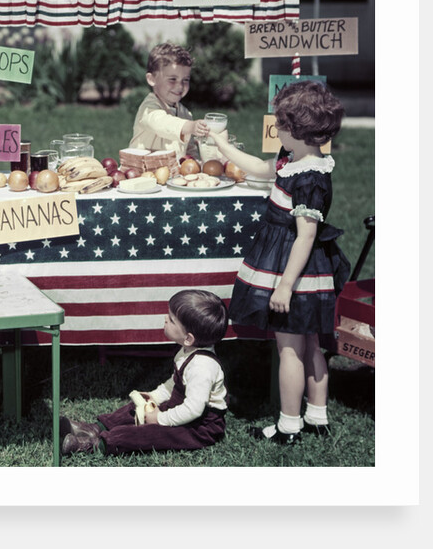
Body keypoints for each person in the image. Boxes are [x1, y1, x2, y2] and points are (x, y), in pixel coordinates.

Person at [209, 80, 351, 444]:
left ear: (296, 130)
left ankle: (289, 425)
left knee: (290, 349)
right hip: (309, 269)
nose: (276, 132)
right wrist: (223, 146)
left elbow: (305, 235)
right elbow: (259, 166)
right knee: (311, 345)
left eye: (280, 127)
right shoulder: (296, 161)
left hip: (294, 269)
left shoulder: (309, 179)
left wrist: (285, 285)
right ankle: (317, 416)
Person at [60, 289, 230, 456]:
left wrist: (160, 419)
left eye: (171, 319)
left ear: (188, 338)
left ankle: (95, 445)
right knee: (137, 406)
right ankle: (94, 429)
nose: (165, 319)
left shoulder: (202, 367)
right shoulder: (187, 351)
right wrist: (154, 397)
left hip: (198, 427)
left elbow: (194, 409)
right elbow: (175, 384)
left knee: (150, 434)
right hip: (181, 409)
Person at [129, 42, 209, 160]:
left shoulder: (185, 113)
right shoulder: (148, 108)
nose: (180, 86)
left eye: (185, 80)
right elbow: (162, 123)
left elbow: (189, 148)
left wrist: (194, 163)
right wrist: (190, 126)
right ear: (151, 79)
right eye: (172, 79)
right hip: (141, 173)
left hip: (171, 175)